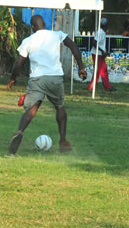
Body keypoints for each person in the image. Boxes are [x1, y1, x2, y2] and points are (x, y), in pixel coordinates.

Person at [6, 15, 88, 155]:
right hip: (55, 77)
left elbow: (18, 63)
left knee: (32, 109)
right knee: (59, 106)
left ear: (33, 27)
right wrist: (81, 67)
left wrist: (13, 78)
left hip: (37, 79)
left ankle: (19, 131)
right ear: (44, 24)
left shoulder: (28, 40)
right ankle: (63, 141)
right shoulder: (57, 34)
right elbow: (73, 46)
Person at [89, 17, 114, 92]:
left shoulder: (102, 32)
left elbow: (100, 44)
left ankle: (93, 87)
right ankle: (106, 87)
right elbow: (94, 42)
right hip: (97, 54)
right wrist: (102, 51)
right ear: (106, 25)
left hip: (99, 54)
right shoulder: (100, 32)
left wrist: (105, 51)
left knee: (100, 71)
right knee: (102, 71)